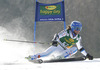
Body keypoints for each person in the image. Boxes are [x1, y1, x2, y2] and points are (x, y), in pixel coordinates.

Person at [28, 21, 93, 60]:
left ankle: (60, 57)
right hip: (58, 46)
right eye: (77, 28)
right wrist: (54, 41)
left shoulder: (78, 37)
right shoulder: (67, 32)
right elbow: (57, 35)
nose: (78, 30)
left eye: (80, 29)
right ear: (73, 28)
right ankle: (32, 57)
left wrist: (87, 55)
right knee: (46, 54)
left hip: (64, 51)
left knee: (75, 49)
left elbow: (80, 48)